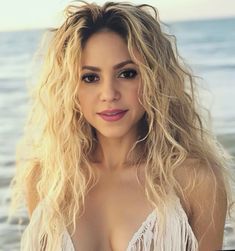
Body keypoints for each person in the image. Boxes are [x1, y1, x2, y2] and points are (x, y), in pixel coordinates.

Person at [8, 1, 234, 251]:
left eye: (127, 73)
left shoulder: (195, 181)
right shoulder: (48, 179)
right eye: (90, 77)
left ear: (154, 79)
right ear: (69, 89)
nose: (109, 93)